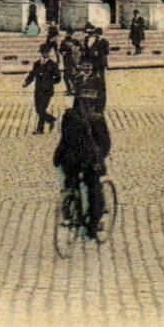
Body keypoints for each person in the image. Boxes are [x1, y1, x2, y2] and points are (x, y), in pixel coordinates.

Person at [53, 95, 112, 238]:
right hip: (88, 161)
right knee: (94, 190)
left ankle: (68, 214)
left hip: (68, 159)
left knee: (68, 185)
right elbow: (105, 144)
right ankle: (93, 225)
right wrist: (99, 159)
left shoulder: (68, 116)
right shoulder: (97, 119)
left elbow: (64, 138)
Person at [22, 53, 60, 134]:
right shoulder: (37, 63)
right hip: (38, 89)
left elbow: (58, 78)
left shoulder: (53, 64)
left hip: (47, 90)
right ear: (41, 53)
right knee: (38, 109)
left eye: (46, 52)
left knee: (42, 109)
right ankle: (50, 119)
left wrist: (49, 82)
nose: (45, 54)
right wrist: (26, 82)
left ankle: (40, 129)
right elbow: (32, 74)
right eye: (43, 52)